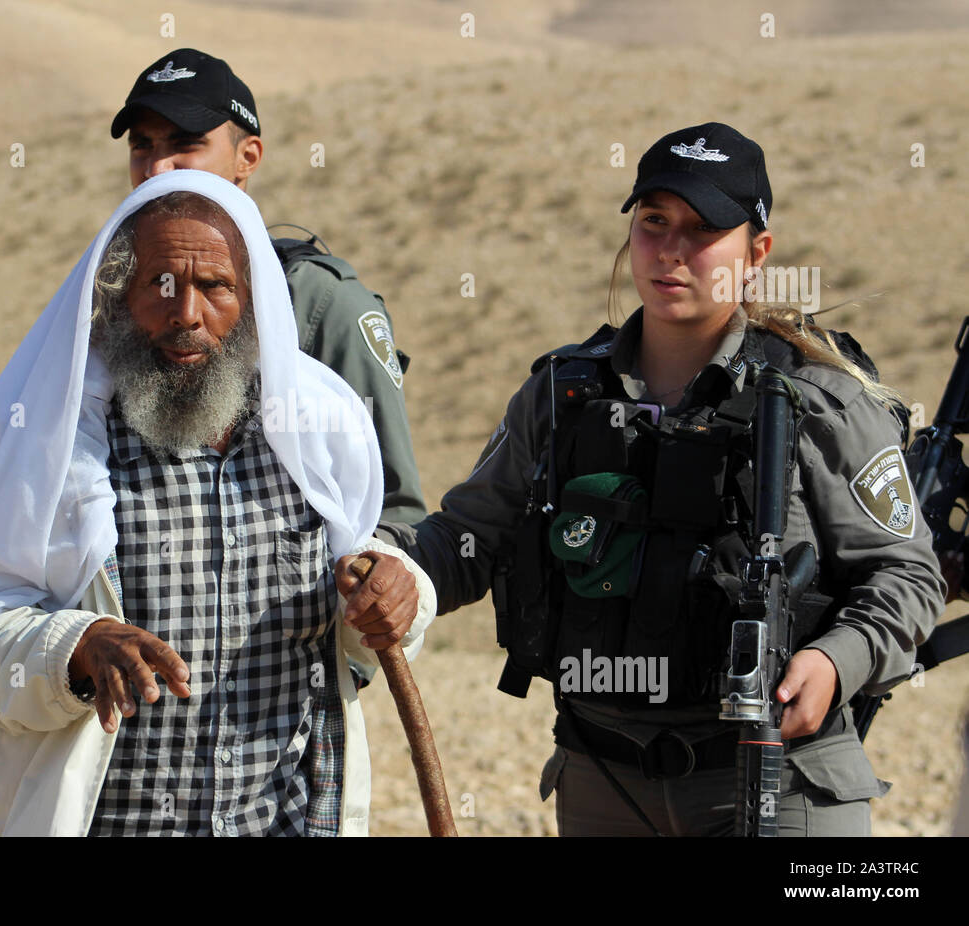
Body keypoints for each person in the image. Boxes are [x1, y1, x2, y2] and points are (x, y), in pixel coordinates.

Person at [382, 122, 947, 836]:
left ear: (756, 255)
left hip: (776, 781)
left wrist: (837, 661)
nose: (673, 250)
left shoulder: (819, 399)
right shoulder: (563, 392)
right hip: (601, 780)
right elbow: (467, 537)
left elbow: (908, 575)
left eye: (704, 229)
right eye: (654, 222)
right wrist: (391, 568)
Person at [0, 171, 436, 836]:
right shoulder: (52, 444)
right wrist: (72, 650)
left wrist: (400, 591)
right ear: (118, 299)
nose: (186, 313)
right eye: (161, 285)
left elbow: (362, 618)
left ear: (253, 303)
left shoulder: (317, 434)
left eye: (214, 288)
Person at [111, 47, 427, 529]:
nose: (157, 168)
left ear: (247, 157)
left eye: (185, 143)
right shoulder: (107, 295)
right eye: (143, 146)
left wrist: (371, 580)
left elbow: (392, 510)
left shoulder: (321, 303)